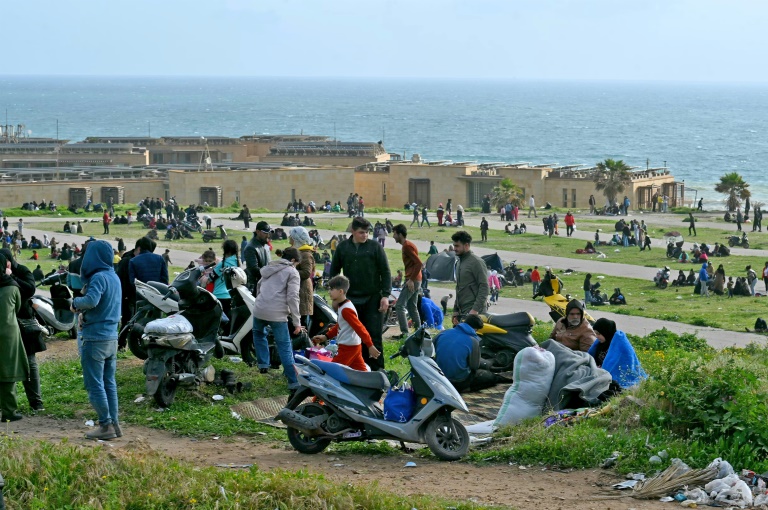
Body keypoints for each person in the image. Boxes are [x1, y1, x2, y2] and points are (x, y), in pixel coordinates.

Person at [72, 240, 122, 440]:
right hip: (111, 337)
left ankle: (105, 425)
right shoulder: (113, 276)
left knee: (95, 384)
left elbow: (91, 301)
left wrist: (75, 302)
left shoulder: (99, 277)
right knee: (109, 382)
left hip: (95, 338)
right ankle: (115, 425)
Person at [330, 217, 391, 370]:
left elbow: (386, 271)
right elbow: (334, 273)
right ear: (353, 231)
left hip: (373, 298)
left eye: (367, 232)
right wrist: (336, 297)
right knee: (352, 335)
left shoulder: (375, 247)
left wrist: (385, 295)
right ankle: (358, 369)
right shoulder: (343, 248)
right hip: (350, 299)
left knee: (373, 335)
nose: (365, 235)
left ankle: (378, 371)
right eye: (361, 232)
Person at [252, 247, 302, 395]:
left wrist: (261, 301)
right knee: (284, 347)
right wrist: (297, 321)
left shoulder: (269, 267)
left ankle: (263, 363)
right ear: (293, 260)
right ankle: (294, 382)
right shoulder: (292, 272)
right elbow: (293, 297)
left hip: (260, 309)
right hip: (277, 313)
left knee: (259, 334)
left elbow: (259, 285)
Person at [2, 247, 44, 414]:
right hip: (8, 325)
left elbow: (29, 289)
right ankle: (7, 405)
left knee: (30, 363)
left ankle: (36, 402)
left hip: (24, 323)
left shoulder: (22, 271)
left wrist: (11, 277)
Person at [312, 275, 380, 371]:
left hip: (348, 348)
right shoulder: (343, 306)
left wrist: (370, 345)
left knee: (332, 371)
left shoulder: (346, 310)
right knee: (362, 372)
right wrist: (326, 336)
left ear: (340, 292)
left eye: (332, 289)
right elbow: (340, 325)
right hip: (353, 346)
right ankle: (372, 385)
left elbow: (359, 328)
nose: (329, 292)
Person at [434, 315, 505, 393]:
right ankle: (466, 388)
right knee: (489, 377)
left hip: (438, 378)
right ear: (475, 329)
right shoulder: (473, 341)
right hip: (458, 381)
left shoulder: (443, 333)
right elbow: (474, 366)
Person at [0, 251, 29, 422]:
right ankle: (9, 411)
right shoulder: (11, 287)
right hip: (8, 334)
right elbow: (17, 308)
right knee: (7, 372)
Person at [588, 318, 646, 389]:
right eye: (595, 333)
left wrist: (602, 370)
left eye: (599, 334)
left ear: (605, 332)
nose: (596, 336)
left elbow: (625, 365)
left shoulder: (621, 345)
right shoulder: (600, 344)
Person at [391, 224, 423, 339]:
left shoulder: (406, 246)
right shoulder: (408, 245)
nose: (393, 236)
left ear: (400, 234)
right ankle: (420, 332)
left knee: (400, 305)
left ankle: (405, 334)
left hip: (413, 280)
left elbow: (419, 263)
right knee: (412, 307)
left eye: (394, 234)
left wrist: (411, 280)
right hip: (416, 279)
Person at [451, 230, 489, 324]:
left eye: (457, 246)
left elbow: (484, 287)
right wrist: (455, 311)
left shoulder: (476, 262)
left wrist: (475, 310)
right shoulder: (459, 262)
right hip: (462, 312)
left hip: (474, 312)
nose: (454, 248)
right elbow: (459, 288)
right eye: (454, 245)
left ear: (466, 245)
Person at [288, 227, 315, 330]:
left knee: (302, 321)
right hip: (298, 289)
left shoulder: (306, 254)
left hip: (303, 290)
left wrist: (290, 270)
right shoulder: (298, 252)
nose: (289, 239)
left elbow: (306, 273)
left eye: (291, 237)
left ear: (296, 238)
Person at [212, 240, 239, 321]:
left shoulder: (222, 264)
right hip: (231, 295)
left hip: (219, 295)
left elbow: (210, 277)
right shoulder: (237, 262)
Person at [243, 221, 272, 292]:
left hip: (266, 284)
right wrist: (271, 273)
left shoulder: (265, 245)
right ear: (258, 232)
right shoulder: (251, 247)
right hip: (255, 286)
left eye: (269, 233)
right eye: (265, 233)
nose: (268, 235)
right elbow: (254, 270)